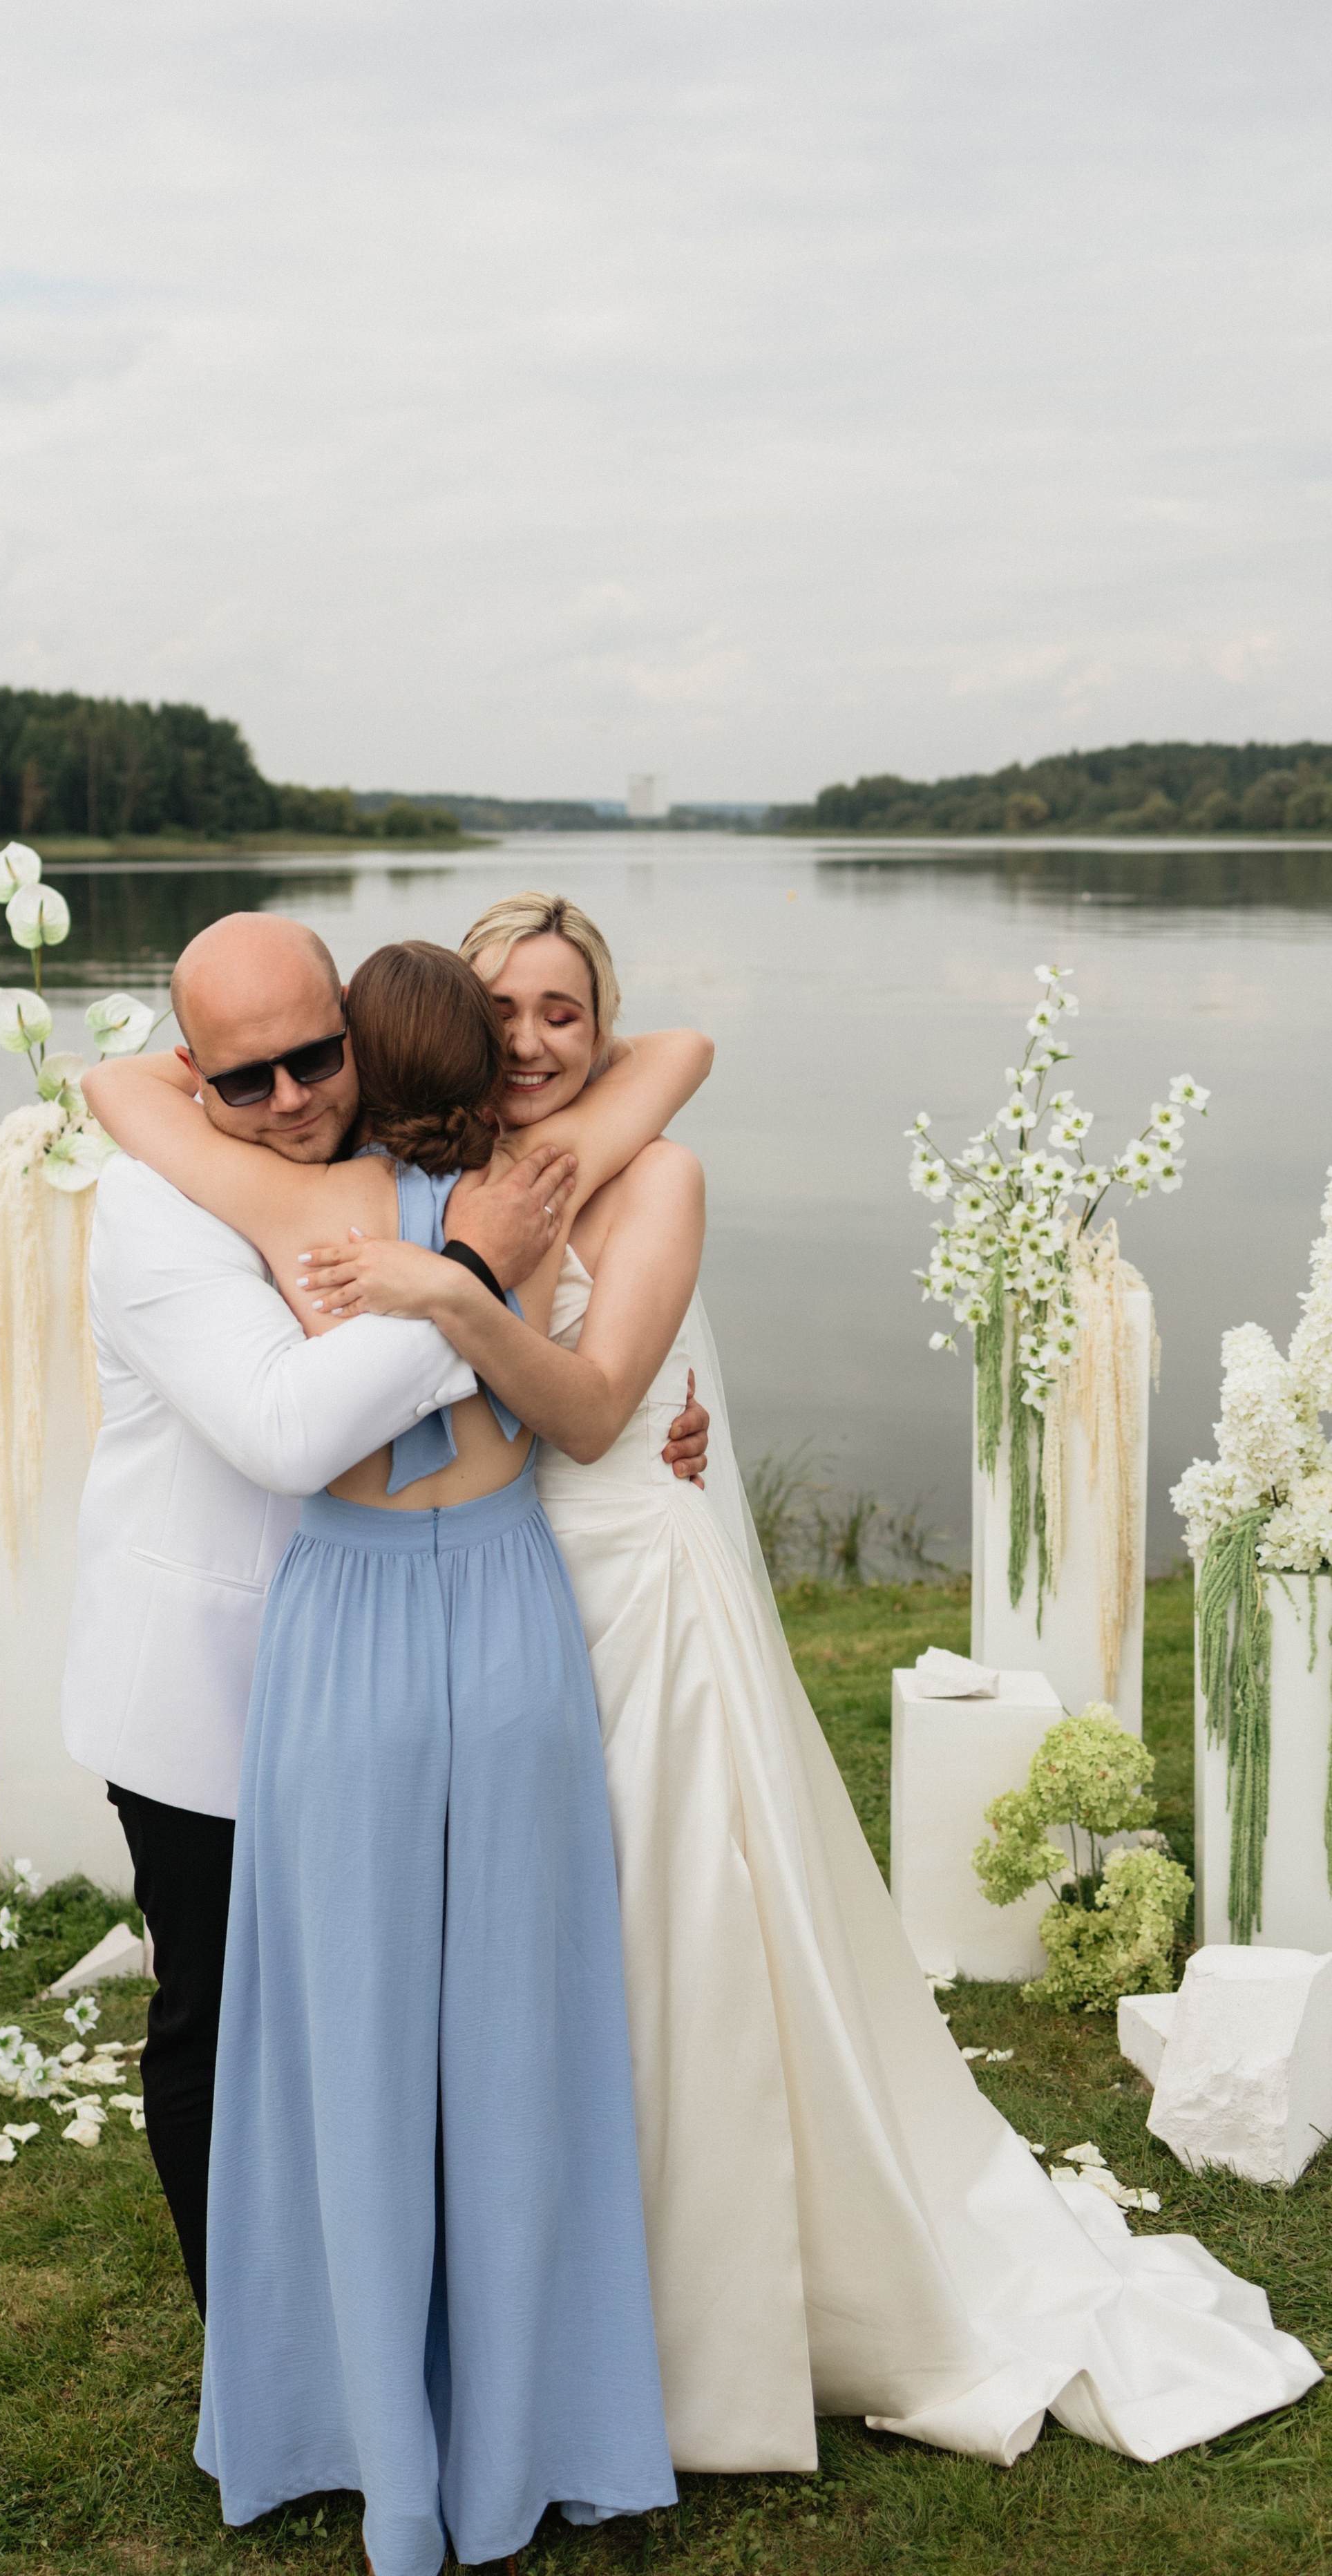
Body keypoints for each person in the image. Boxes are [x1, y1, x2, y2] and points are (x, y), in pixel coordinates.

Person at [296, 889, 1324, 2474]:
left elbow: (583, 1411)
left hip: (633, 1588)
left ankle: (683, 2327)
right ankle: (520, 2302)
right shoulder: (435, 1163)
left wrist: (447, 1291)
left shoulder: (646, 1176)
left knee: (667, 1942)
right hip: (498, 1595)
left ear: (605, 1027)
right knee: (523, 1960)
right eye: (499, 1010)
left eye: (564, 1012)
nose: (528, 1041)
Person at [84, 925, 712, 2576]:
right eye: (253, 1074)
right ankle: (532, 2433)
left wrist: (431, 1268)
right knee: (520, 2038)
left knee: (332, 2050)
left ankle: (364, 2440)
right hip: (503, 1603)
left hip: (341, 1620)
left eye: (317, 1060)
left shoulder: (301, 1211)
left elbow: (116, 1087)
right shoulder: (549, 1188)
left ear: (361, 1053)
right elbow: (677, 1058)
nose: (288, 1098)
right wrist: (486, 1257)